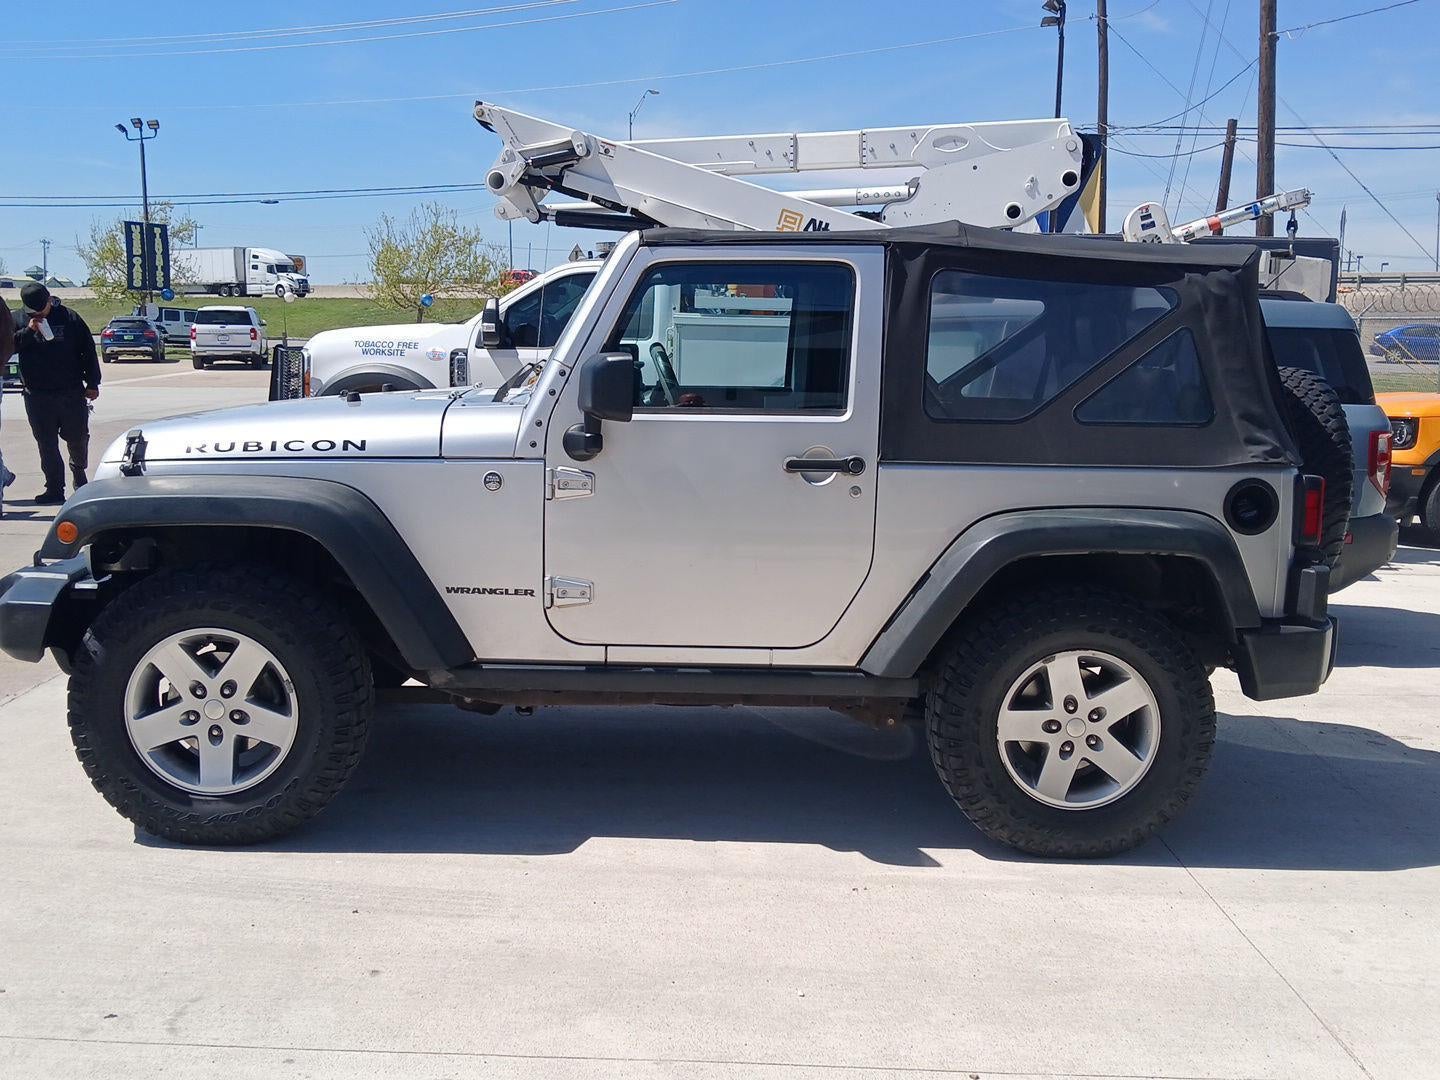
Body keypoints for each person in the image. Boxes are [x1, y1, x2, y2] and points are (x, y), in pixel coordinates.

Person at [12, 282, 100, 505]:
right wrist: (29, 331)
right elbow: (10, 346)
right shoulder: (19, 319)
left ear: (50, 299)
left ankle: (79, 476)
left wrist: (93, 382)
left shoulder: (69, 318)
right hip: (37, 394)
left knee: (77, 438)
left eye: (42, 308)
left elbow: (88, 350)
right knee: (46, 443)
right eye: (34, 310)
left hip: (70, 392)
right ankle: (54, 488)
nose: (39, 313)